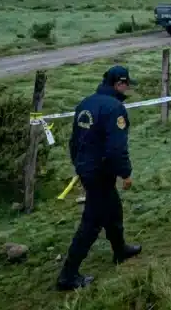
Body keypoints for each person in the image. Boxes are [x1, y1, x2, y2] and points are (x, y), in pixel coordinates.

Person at [57, 66, 142, 291]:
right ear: (119, 84)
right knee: (92, 222)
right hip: (100, 171)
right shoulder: (115, 108)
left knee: (113, 208)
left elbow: (74, 142)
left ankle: (119, 249)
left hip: (87, 168)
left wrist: (79, 165)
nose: (128, 89)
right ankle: (68, 275)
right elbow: (116, 148)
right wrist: (125, 172)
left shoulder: (85, 104)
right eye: (127, 85)